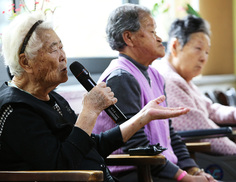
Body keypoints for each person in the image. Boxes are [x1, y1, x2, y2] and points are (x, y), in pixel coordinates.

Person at [0, 12, 192, 182]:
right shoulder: (16, 110)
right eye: (53, 49)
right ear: (26, 62)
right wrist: (89, 112)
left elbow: (89, 145)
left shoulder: (52, 99)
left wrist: (143, 117)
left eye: (62, 47)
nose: (63, 56)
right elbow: (60, 166)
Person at [93, 4, 216, 182]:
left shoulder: (155, 75)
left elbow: (170, 133)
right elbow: (137, 145)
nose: (159, 38)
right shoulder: (121, 77)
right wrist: (185, 178)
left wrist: (194, 170)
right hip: (134, 174)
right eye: (152, 31)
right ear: (129, 37)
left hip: (162, 172)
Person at [153, 15, 236, 156]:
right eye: (198, 48)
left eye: (207, 51)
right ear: (175, 46)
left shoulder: (183, 79)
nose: (204, 58)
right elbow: (201, 126)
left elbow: (210, 109)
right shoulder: (167, 79)